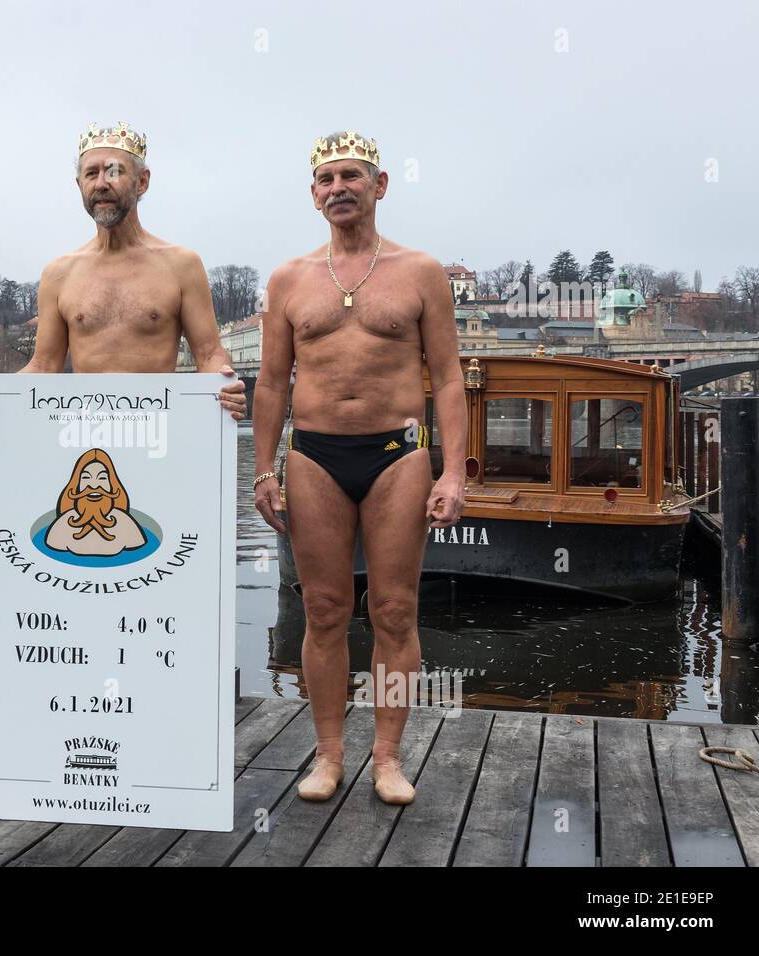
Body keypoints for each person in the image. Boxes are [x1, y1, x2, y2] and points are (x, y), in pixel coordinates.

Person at [252, 131, 467, 806]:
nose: (337, 187)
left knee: (396, 610)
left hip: (397, 455)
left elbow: (450, 378)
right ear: (313, 194)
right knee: (322, 608)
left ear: (380, 185)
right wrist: (264, 468)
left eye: (350, 175)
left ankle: (388, 756)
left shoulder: (420, 271)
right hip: (314, 452)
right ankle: (328, 752)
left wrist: (453, 473)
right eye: (324, 178)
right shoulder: (289, 278)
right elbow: (270, 382)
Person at [0, 122, 245, 419]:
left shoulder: (181, 265)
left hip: (159, 430)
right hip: (85, 432)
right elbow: (44, 365)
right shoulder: (59, 274)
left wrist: (224, 380)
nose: (101, 183)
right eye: (91, 174)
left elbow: (208, 354)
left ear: (142, 182)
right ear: (80, 185)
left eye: (114, 171)